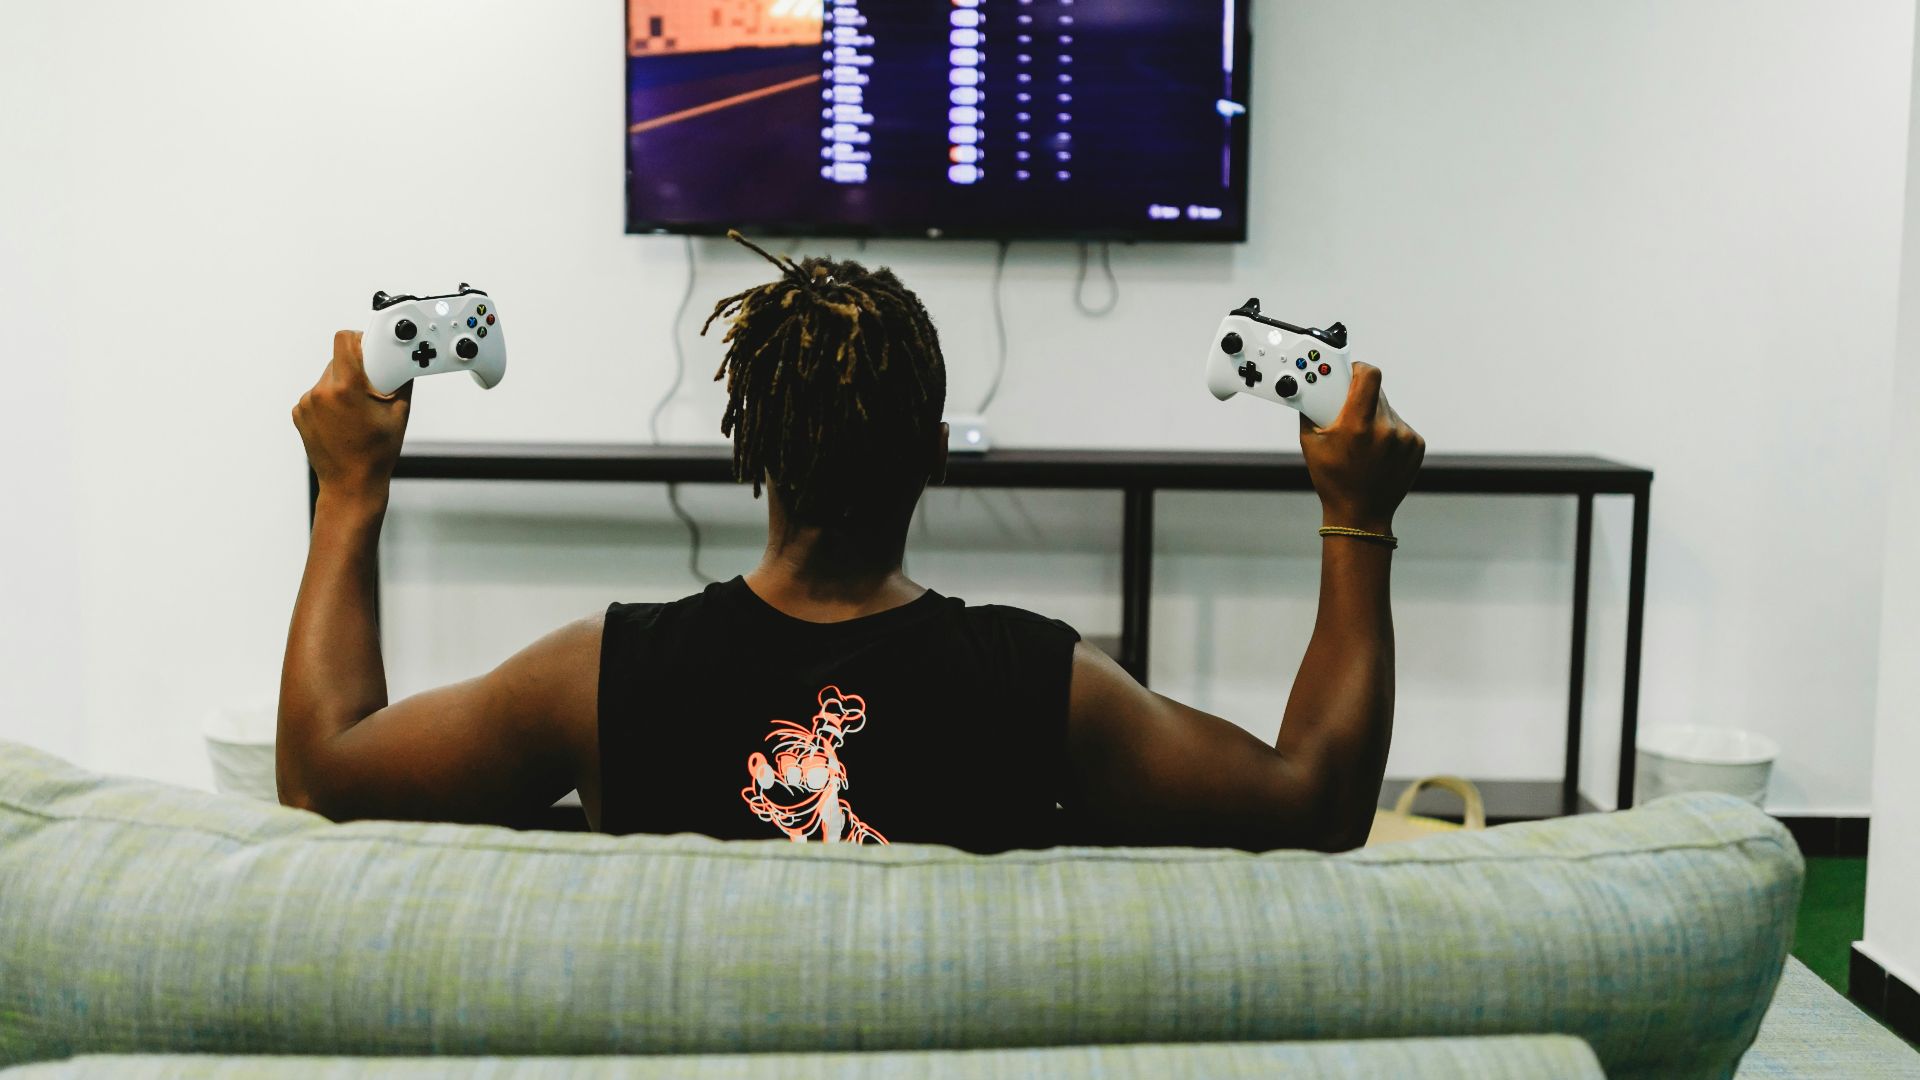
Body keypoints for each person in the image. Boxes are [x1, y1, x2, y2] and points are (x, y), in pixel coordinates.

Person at [279, 236, 1424, 853]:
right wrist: (1357, 517)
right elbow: (1317, 804)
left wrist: (348, 487)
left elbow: (322, 780)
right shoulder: (1048, 688)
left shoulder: (593, 676)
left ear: (750, 445)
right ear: (933, 452)